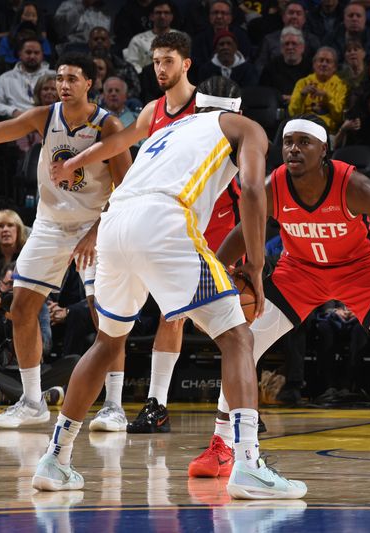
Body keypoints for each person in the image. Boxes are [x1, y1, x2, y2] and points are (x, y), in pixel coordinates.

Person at [34, 76, 308, 500]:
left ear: (196, 104)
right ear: (234, 107)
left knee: (107, 343)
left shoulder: (168, 128)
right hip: (164, 221)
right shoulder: (244, 127)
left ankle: (56, 458)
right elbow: (254, 190)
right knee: (237, 336)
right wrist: (255, 263)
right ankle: (249, 463)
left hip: (115, 223)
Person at [188, 114, 370, 483]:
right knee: (243, 346)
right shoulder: (272, 186)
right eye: (288, 142)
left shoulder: (354, 186)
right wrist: (212, 275)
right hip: (300, 273)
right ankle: (222, 444)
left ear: (324, 150)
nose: (293, 148)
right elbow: (241, 232)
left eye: (303, 142)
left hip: (362, 272)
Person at [48, 32, 244, 434]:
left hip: (212, 215)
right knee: (180, 319)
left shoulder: (211, 105)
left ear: (186, 63)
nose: (160, 68)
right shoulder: (154, 110)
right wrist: (76, 162)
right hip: (164, 217)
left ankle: (226, 415)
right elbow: (117, 142)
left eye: (168, 60)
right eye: (155, 61)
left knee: (223, 317)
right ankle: (159, 404)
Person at [0, 53, 132, 429]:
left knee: (105, 316)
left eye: (72, 78)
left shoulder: (107, 126)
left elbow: (125, 189)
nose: (63, 84)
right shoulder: (46, 116)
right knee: (22, 305)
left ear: (89, 83)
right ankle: (32, 401)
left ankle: (114, 405)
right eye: (59, 77)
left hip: (97, 223)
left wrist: (96, 232)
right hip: (50, 224)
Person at [0, 262, 75, 406]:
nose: (13, 289)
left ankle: (10, 395)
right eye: (9, 284)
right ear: (1, 285)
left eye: (17, 284)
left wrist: (26, 321)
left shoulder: (39, 305)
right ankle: (35, 397)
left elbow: (45, 348)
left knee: (75, 362)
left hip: (36, 374)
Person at [0, 36, 54, 120]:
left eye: (36, 53)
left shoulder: (55, 76)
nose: (32, 56)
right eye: (28, 52)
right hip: (16, 124)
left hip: (47, 122)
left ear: (42, 55)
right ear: (20, 54)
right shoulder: (5, 78)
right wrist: (14, 112)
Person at [288, 47, 348, 133]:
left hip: (327, 132)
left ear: (334, 67)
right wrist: (302, 95)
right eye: (321, 60)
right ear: (314, 64)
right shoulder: (303, 83)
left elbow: (339, 117)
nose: (324, 64)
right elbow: (293, 114)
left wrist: (327, 96)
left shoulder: (341, 85)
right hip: (303, 129)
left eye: (328, 61)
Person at [259, 27, 313, 107]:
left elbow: (314, 93)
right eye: (286, 44)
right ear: (281, 48)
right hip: (277, 107)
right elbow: (264, 92)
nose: (290, 47)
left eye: (294, 43)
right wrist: (280, 98)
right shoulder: (271, 67)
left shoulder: (311, 67)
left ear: (302, 47)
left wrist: (294, 98)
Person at [122, 0, 178, 73]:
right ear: (151, 16)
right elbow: (132, 65)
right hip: (145, 80)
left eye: (166, 13)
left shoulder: (181, 38)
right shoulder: (138, 40)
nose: (162, 16)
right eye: (158, 13)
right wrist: (148, 75)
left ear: (172, 16)